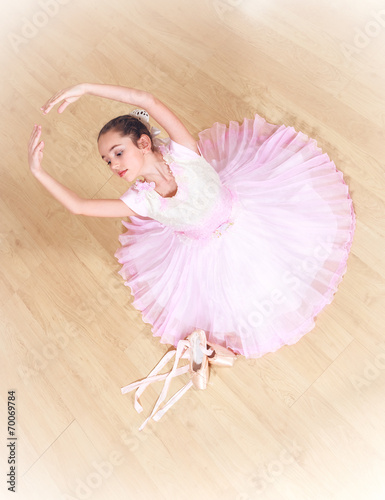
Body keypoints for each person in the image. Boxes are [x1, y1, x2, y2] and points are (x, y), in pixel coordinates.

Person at [29, 83, 356, 360]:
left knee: (289, 256)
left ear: (143, 143)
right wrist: (38, 172)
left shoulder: (183, 151)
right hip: (203, 251)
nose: (113, 165)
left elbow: (147, 102)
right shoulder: (139, 200)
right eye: (106, 160)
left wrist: (86, 88)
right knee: (238, 301)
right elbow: (80, 206)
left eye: (117, 153)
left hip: (246, 214)